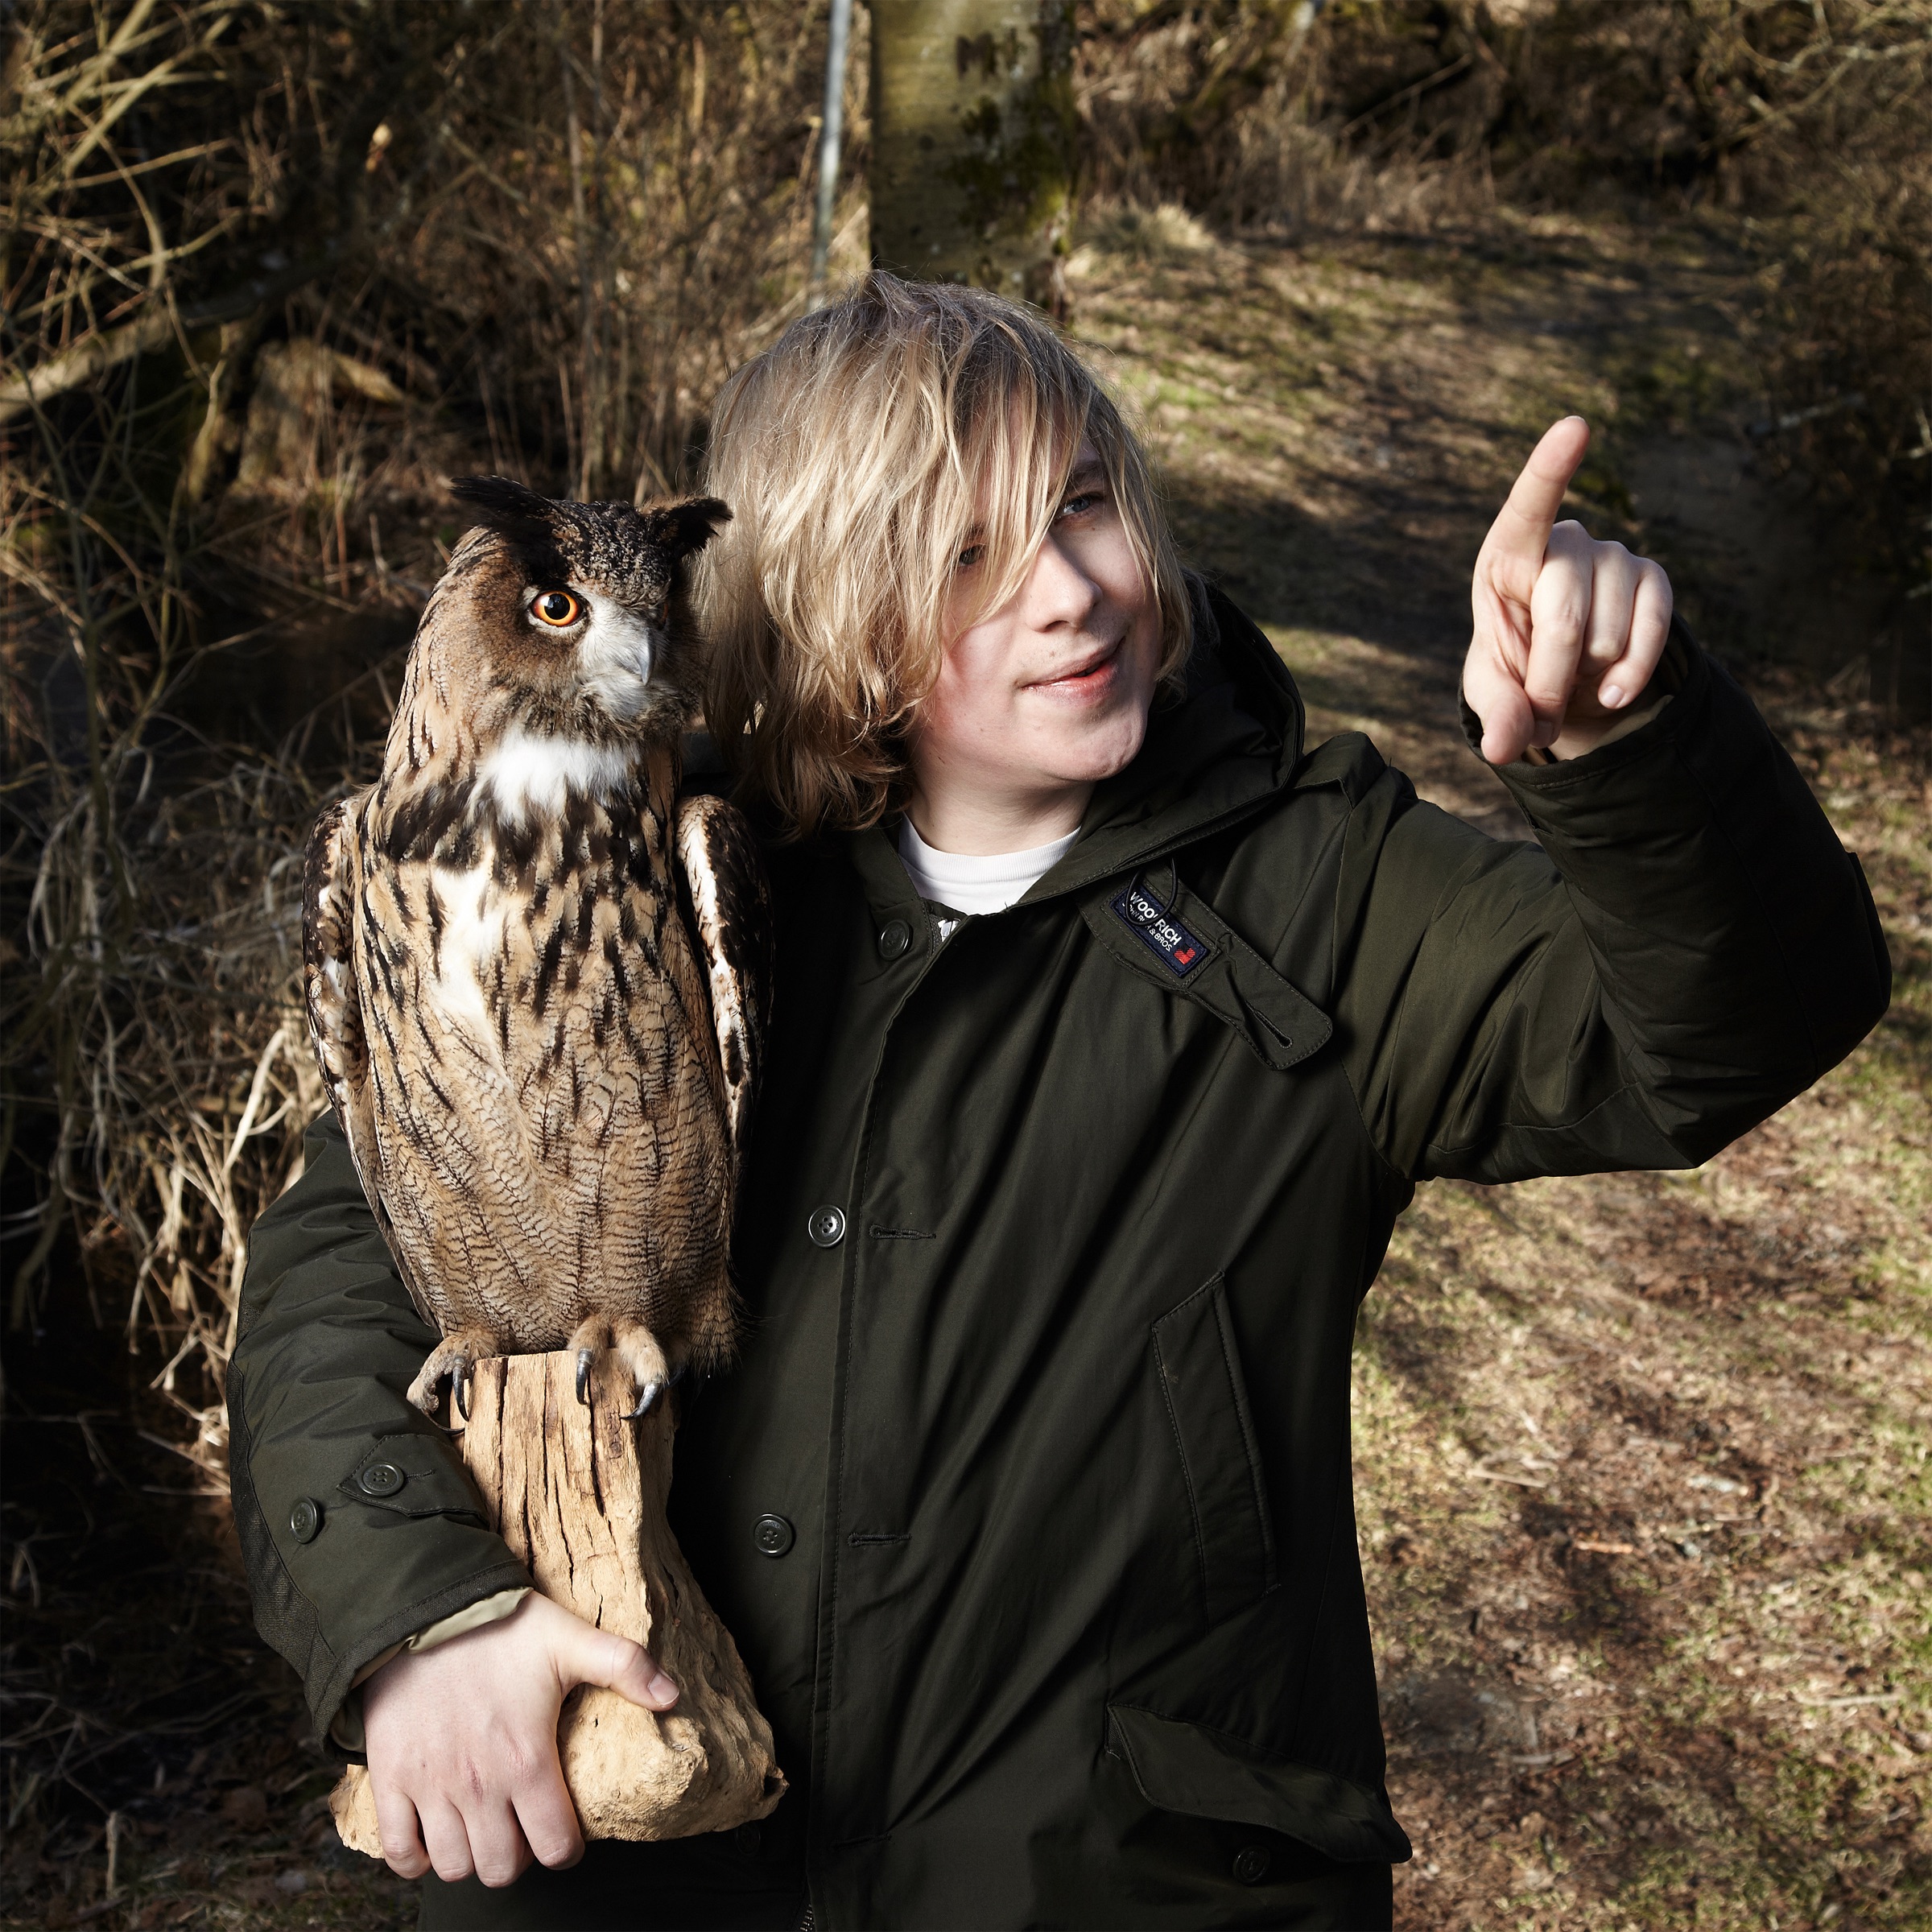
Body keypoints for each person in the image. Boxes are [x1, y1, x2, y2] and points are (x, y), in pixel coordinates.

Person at [231, 275, 1889, 1931]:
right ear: (829, 601)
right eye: (965, 555)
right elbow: (349, 1253)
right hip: (645, 1873)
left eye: (1085, 505)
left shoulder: (1317, 888)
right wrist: (421, 1618)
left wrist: (1632, 744)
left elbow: (1728, 1027)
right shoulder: (670, 868)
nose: (1073, 590)